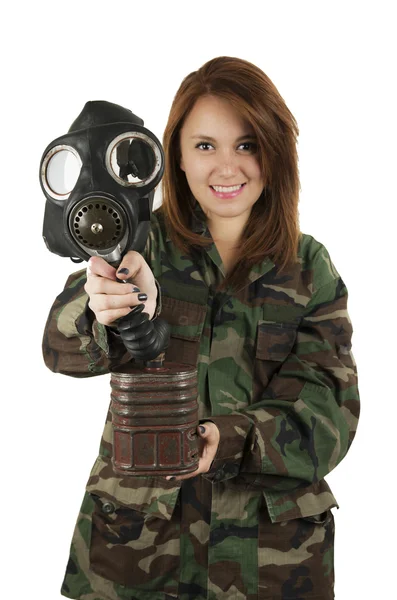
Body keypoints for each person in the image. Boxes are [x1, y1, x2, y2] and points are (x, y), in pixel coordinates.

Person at [43, 56, 360, 600]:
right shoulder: (138, 246)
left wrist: (229, 440)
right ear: (177, 160)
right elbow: (59, 349)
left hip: (273, 564)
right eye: (205, 146)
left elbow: (329, 410)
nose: (227, 168)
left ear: (275, 153)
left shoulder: (310, 269)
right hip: (137, 558)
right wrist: (103, 306)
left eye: (247, 144)